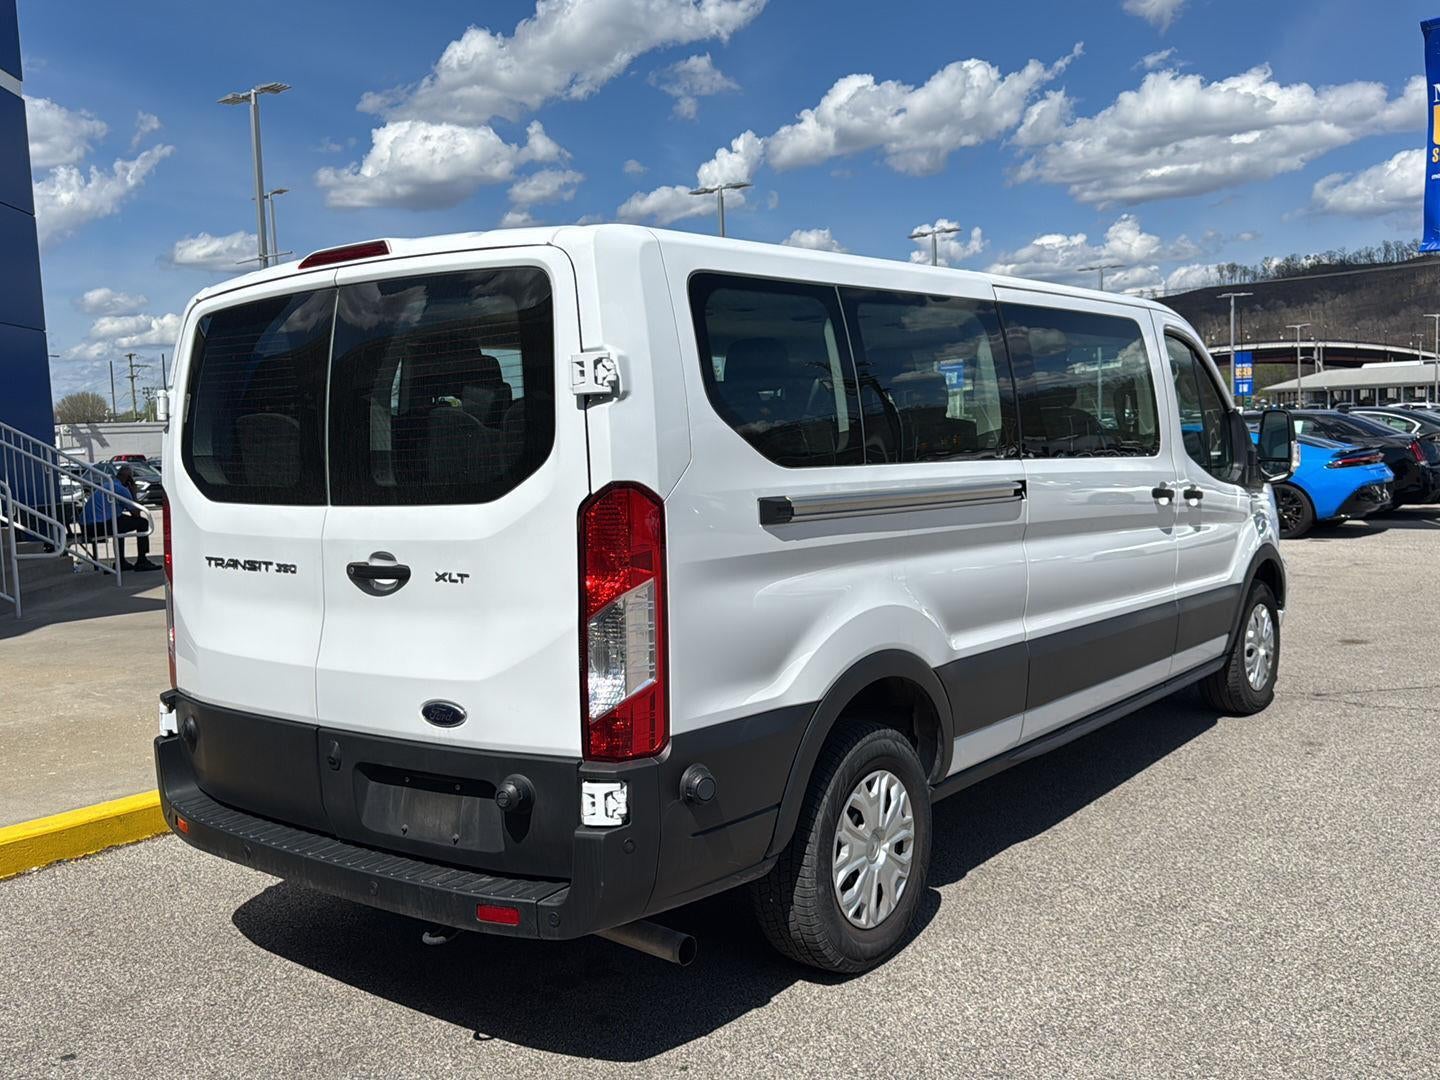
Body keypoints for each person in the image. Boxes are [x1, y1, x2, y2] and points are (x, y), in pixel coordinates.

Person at [81, 466, 159, 572]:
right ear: (128, 479)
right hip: (99, 526)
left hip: (87, 526)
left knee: (120, 522)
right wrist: (134, 492)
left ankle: (121, 561)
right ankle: (142, 560)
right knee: (143, 523)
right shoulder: (121, 489)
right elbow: (136, 513)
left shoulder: (108, 485)